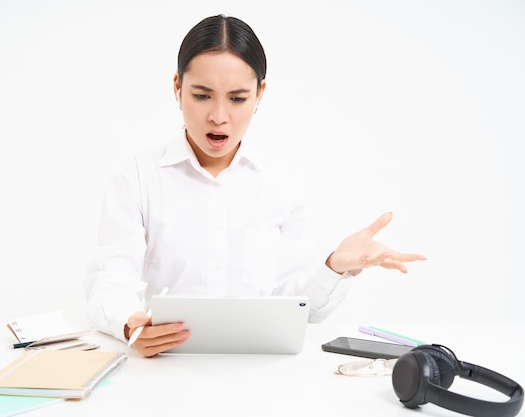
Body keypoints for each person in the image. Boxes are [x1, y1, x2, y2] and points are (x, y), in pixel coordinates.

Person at [83, 14, 426, 358]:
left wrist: (335, 265)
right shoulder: (138, 176)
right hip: (167, 366)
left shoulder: (283, 182)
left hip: (259, 373)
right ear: (177, 88)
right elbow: (111, 279)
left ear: (259, 94)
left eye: (237, 98)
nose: (219, 115)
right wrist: (131, 323)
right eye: (202, 95)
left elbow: (299, 307)